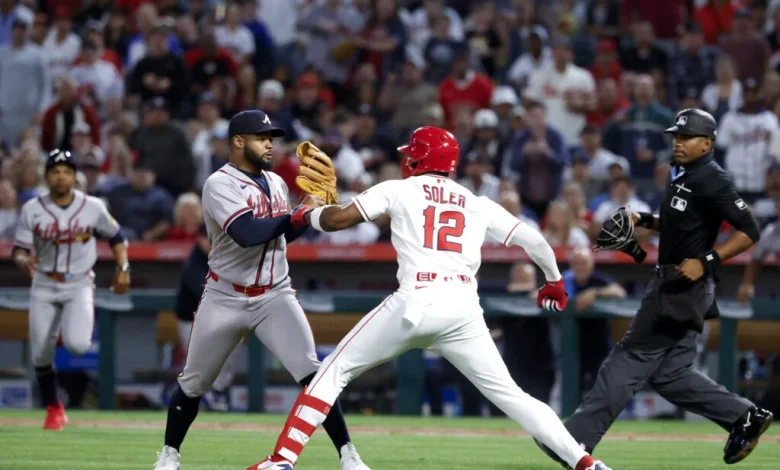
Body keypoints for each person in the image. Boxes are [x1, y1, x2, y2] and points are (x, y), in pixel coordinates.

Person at [248, 126, 612, 470]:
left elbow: (338, 221)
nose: (407, 158)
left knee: (332, 371)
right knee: (514, 397)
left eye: (412, 154)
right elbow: (534, 241)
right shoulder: (476, 202)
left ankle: (282, 459)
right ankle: (586, 463)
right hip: (463, 309)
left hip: (416, 300)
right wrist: (554, 281)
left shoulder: (400, 189)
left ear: (421, 158)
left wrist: (309, 214)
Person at [538, 108, 773, 467]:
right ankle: (744, 416)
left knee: (626, 359)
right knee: (671, 375)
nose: (678, 142)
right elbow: (680, 223)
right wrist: (644, 219)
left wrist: (707, 260)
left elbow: (750, 230)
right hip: (679, 284)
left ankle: (573, 441)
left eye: (686, 137)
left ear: (707, 143)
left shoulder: (713, 177)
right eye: (676, 136)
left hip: (681, 287)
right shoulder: (683, 175)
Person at [153, 110, 369, 470]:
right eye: (261, 137)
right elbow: (247, 233)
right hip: (225, 296)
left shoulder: (277, 182)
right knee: (193, 384)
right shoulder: (219, 183)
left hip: (274, 294)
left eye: (271, 137)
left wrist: (307, 213)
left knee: (314, 375)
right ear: (238, 141)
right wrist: (298, 214)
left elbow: (282, 235)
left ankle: (349, 455)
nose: (270, 144)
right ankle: (169, 455)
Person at [11, 149, 130, 430]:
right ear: (46, 176)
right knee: (40, 353)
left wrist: (123, 268)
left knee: (78, 345)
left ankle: (61, 331)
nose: (61, 176)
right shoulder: (32, 208)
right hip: (44, 282)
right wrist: (23, 261)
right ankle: (54, 408)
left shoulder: (93, 206)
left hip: (79, 282)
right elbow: (19, 250)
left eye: (66, 171)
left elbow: (117, 236)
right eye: (55, 171)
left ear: (75, 176)